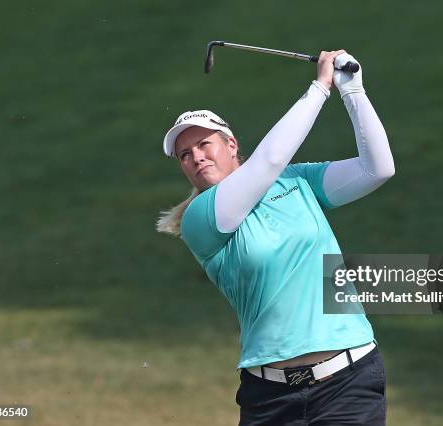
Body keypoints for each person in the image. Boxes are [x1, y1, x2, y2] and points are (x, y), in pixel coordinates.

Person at [158, 50, 395, 425]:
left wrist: (353, 92)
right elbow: (267, 161)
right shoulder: (200, 219)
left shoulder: (297, 181)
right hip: (270, 398)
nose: (196, 157)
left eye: (205, 144)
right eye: (185, 154)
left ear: (231, 145)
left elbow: (377, 168)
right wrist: (319, 88)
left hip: (348, 382)